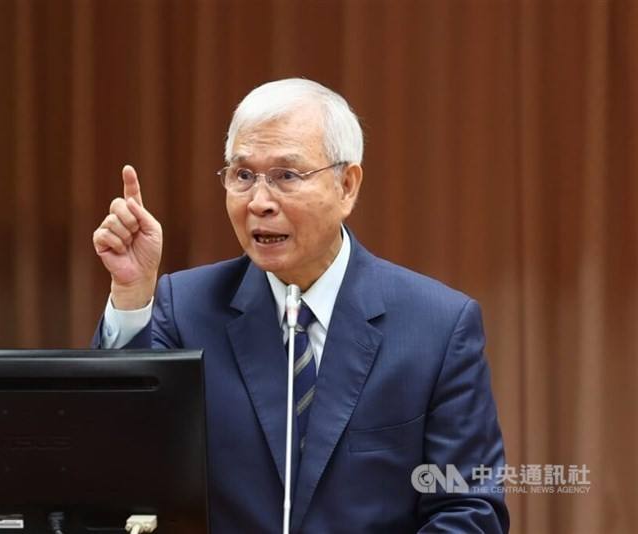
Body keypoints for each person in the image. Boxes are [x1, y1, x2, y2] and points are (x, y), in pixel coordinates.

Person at [91, 78, 509, 533]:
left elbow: (470, 510)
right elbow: (117, 460)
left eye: (287, 176)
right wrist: (132, 294)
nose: (260, 202)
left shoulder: (438, 326)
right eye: (243, 175)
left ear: (347, 185)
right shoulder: (186, 308)